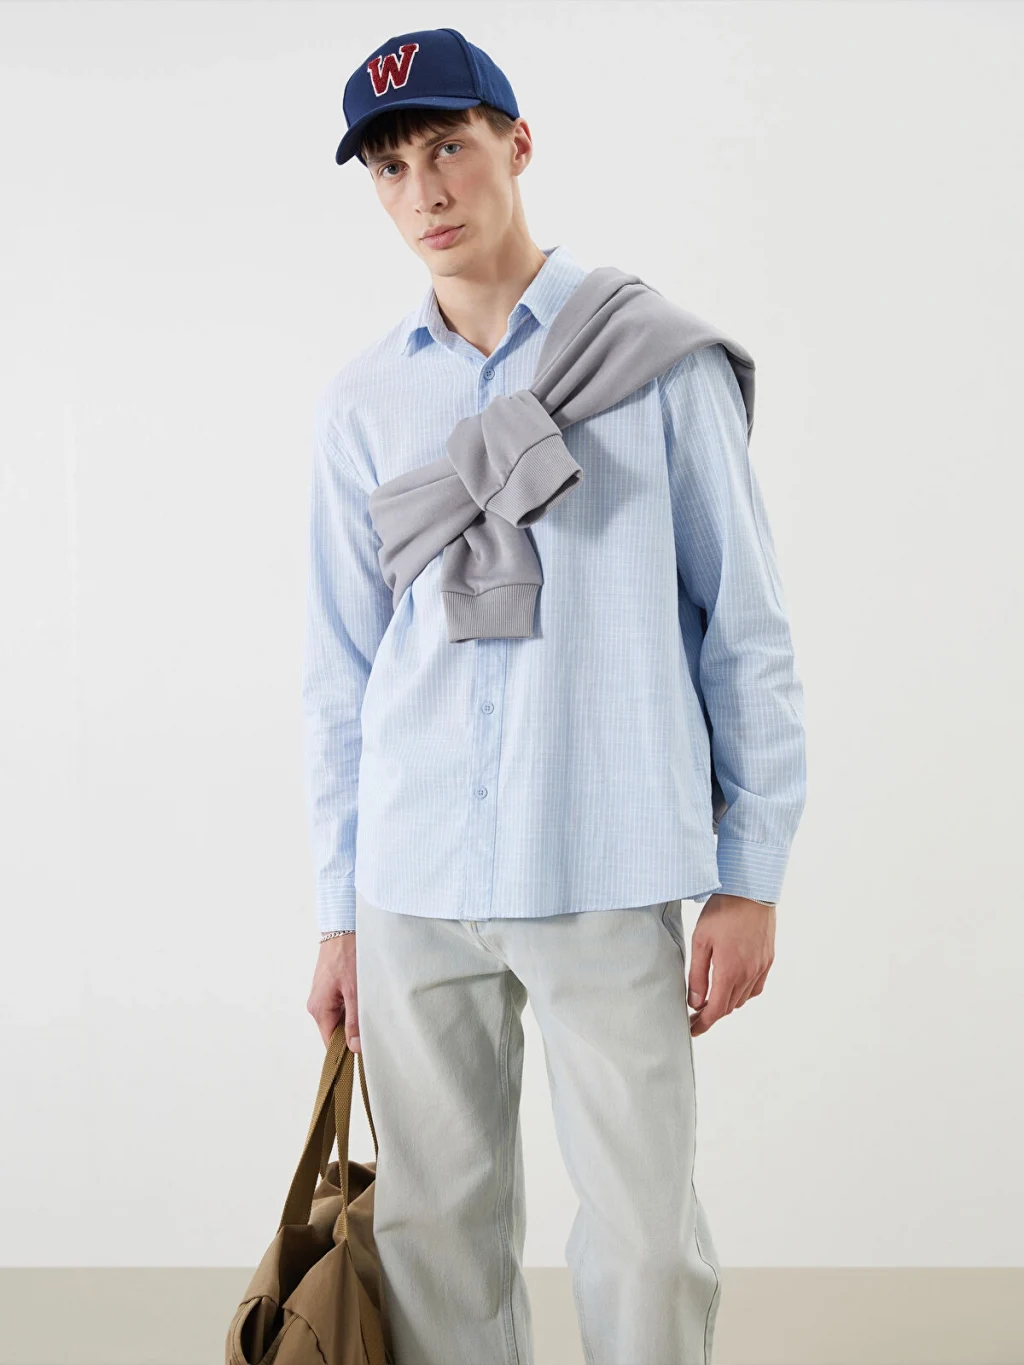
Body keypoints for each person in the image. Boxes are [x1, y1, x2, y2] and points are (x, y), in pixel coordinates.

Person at [302, 26, 806, 1365]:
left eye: (449, 148)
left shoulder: (654, 361)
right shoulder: (363, 402)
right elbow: (341, 675)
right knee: (435, 1235)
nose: (425, 191)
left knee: (644, 1237)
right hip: (413, 874)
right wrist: (338, 912)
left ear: (517, 145)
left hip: (600, 856)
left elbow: (746, 630)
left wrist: (751, 876)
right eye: (391, 168)